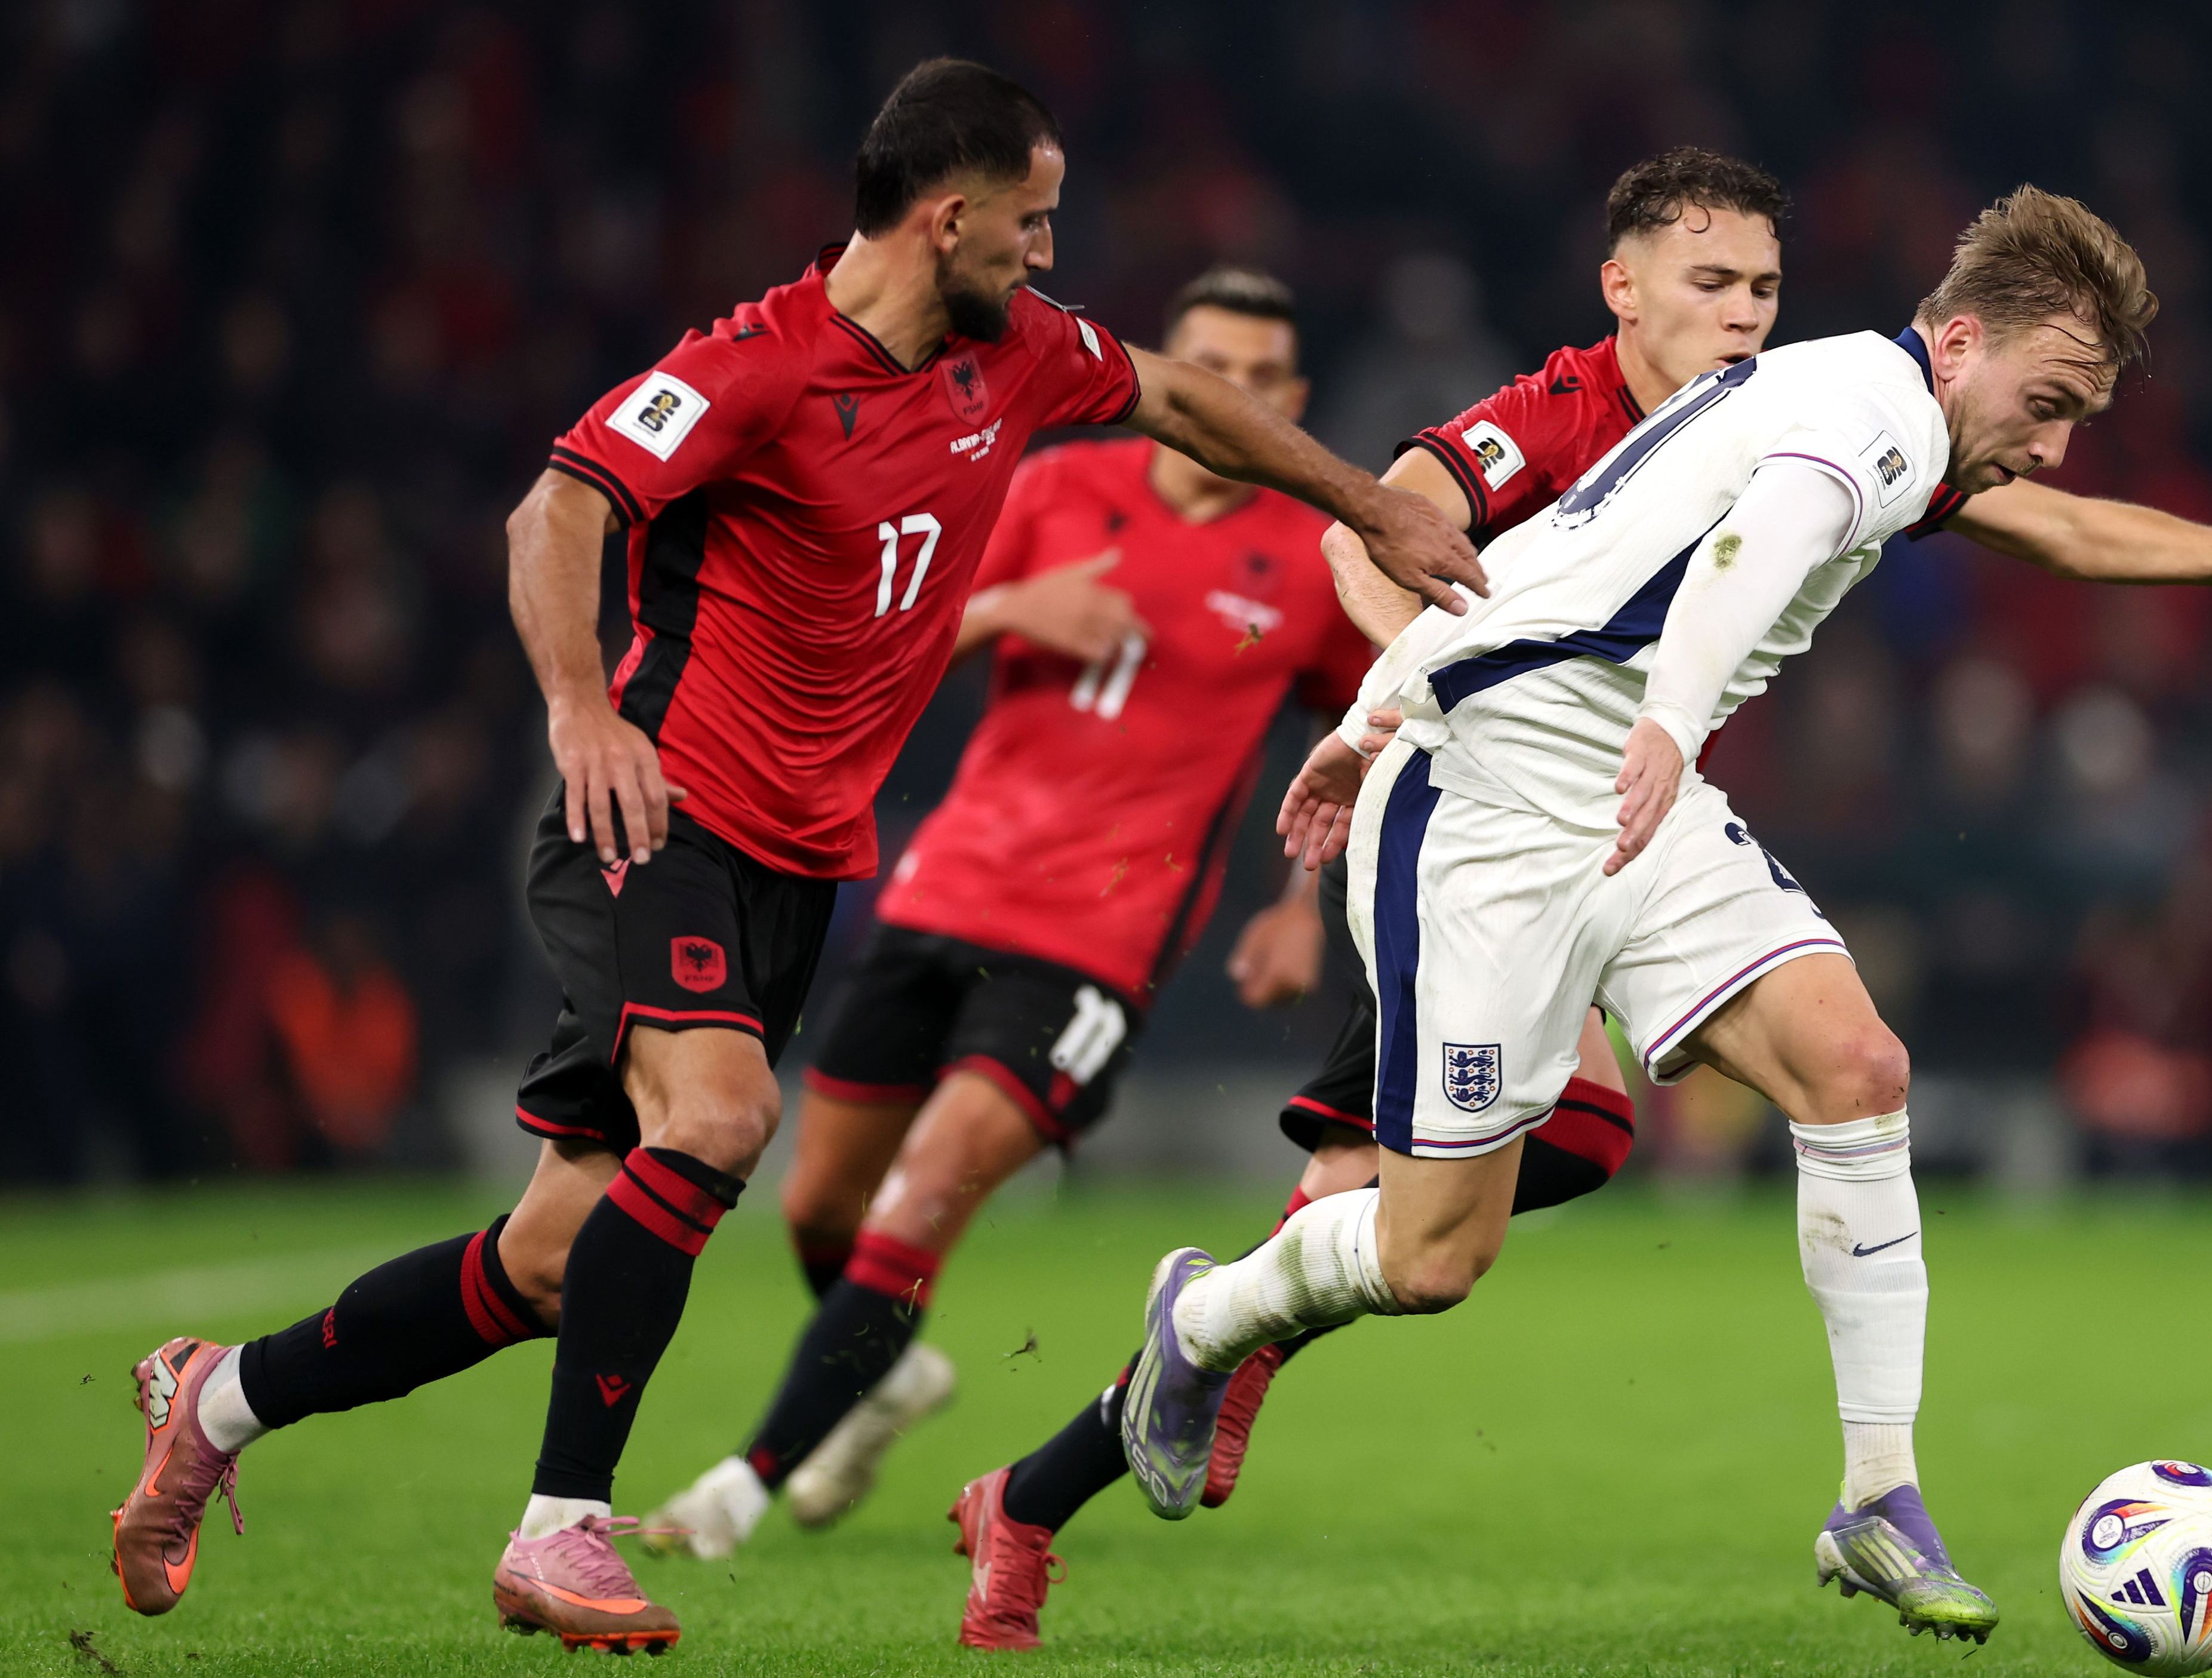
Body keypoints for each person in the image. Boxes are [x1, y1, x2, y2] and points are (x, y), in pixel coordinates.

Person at [946, 149, 2212, 1653]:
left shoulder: (1864, 405)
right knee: (1427, 1255)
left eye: (1758, 285)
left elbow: (2026, 528)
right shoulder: (1833, 418)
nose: (2047, 446)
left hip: (1624, 799)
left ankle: (1877, 1495)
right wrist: (1522, 712)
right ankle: (1198, 1324)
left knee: (1856, 1067)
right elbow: (1693, 551)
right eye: (2045, 407)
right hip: (1494, 816)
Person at [107, 60, 1483, 1655]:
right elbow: (555, 511)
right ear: (946, 217)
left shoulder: (1017, 356)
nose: (1049, 259)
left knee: (557, 1256)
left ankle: (221, 1397)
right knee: (724, 1116)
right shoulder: (754, 367)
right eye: (1030, 227)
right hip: (653, 813)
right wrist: (578, 713)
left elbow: (1178, 396)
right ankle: (562, 1532)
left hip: (799, 861)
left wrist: (1369, 510)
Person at [627, 265, 1378, 1559]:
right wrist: (1014, 606)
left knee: (922, 1198)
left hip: (1096, 943)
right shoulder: (1052, 488)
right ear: (1169, 367)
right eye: (1213, 368)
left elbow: (1358, 733)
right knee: (819, 1205)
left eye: (1263, 380)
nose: (1234, 396)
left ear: (1292, 399)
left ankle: (739, 1489)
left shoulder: (1310, 566)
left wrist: (1301, 906)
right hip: (946, 889)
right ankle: (888, 1370)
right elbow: (890, 628)